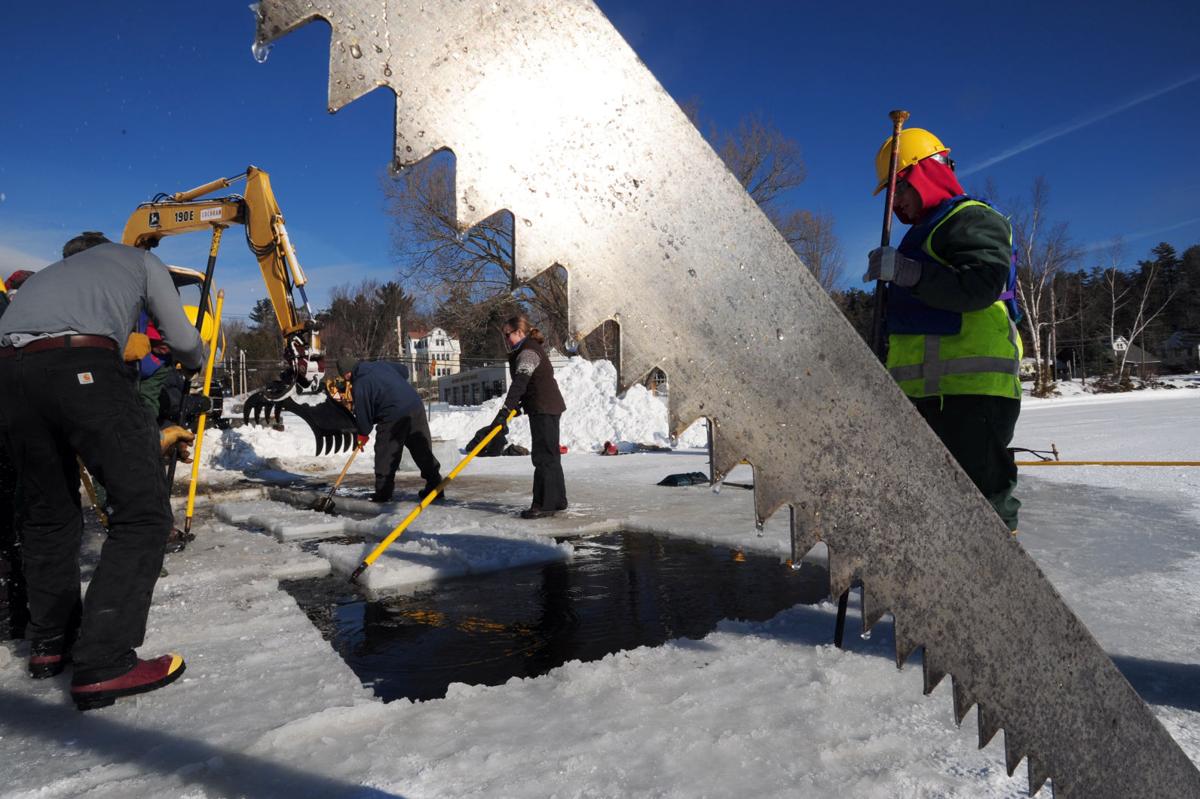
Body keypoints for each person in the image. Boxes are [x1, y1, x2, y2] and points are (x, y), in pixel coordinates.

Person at [0, 231, 204, 710]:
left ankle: (50, 643)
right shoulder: (137, 259)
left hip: (8, 376)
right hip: (82, 365)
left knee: (48, 513)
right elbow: (182, 339)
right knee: (143, 512)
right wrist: (191, 362)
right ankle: (105, 659)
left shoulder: (45, 277)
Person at [864, 129, 1022, 531]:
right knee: (932, 508)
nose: (894, 202)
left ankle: (999, 586)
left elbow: (981, 284)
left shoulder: (971, 218)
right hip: (927, 397)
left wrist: (906, 272)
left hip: (971, 394)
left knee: (982, 502)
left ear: (924, 174)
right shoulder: (922, 236)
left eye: (898, 188)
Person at [483, 315, 567, 519]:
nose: (506, 339)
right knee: (550, 455)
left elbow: (520, 383)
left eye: (508, 334)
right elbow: (529, 385)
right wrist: (519, 405)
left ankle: (544, 505)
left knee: (543, 456)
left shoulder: (528, 351)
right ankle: (557, 500)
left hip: (544, 407)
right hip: (546, 406)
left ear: (519, 332)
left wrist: (505, 410)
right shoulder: (528, 348)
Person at [338, 356, 443, 504]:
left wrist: (362, 434)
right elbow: (404, 371)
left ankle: (383, 493)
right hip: (415, 404)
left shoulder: (360, 384)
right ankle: (435, 485)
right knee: (421, 448)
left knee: (386, 452)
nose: (347, 380)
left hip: (392, 414)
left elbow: (364, 415)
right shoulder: (380, 364)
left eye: (345, 377)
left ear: (347, 373)